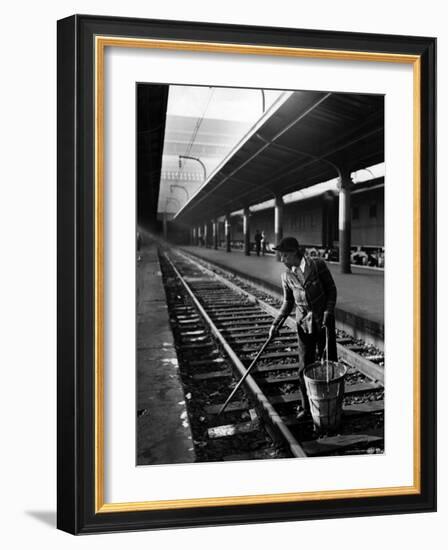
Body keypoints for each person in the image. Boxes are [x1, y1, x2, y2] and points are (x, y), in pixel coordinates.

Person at [268, 236, 337, 419]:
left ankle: (332, 407)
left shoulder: (317, 265)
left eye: (284, 255)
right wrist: (276, 324)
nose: (282, 259)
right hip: (303, 325)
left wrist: (328, 312)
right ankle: (307, 409)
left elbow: (331, 290)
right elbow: (288, 303)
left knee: (329, 365)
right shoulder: (286, 276)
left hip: (323, 322)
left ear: (293, 253)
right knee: (304, 367)